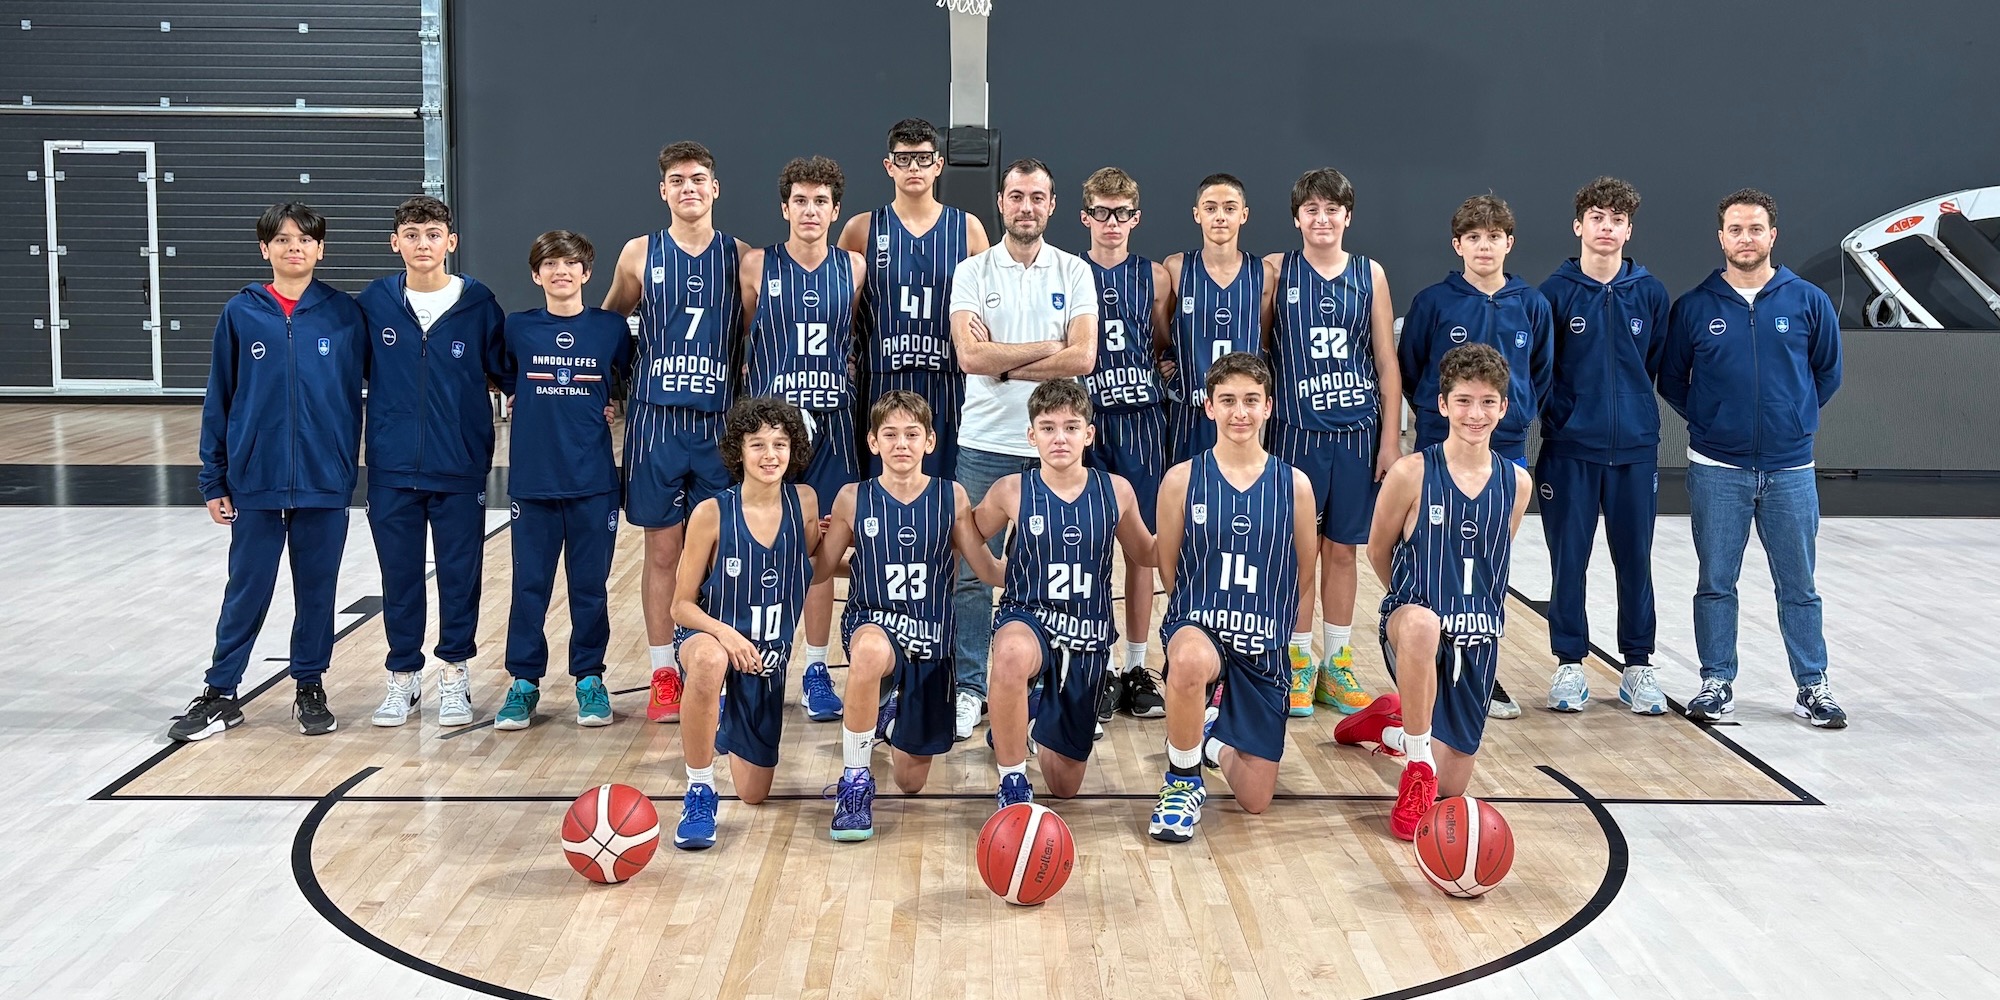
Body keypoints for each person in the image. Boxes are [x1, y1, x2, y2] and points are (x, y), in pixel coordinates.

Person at [170, 202, 367, 742]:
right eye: (281, 239)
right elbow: (219, 397)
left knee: (317, 589)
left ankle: (309, 685)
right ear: (265, 249)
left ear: (321, 248)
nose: (293, 247)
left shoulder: (345, 315)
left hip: (324, 479)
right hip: (254, 479)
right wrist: (214, 478)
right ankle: (221, 691)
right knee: (247, 587)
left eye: (304, 239)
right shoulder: (241, 312)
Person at [1659, 189, 1846, 729]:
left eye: (1756, 228)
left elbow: (1827, 373)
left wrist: (1794, 418)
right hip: (1718, 468)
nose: (1746, 238)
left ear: (1772, 236)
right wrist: (1713, 421)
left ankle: (1813, 685)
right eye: (1736, 229)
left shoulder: (1807, 300)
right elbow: (1672, 379)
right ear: (1721, 238)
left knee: (1799, 586)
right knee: (1716, 581)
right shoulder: (1694, 307)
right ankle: (1716, 683)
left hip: (1790, 469)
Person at [1334, 344, 1532, 840]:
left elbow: (1493, 559)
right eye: (1463, 401)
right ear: (1443, 405)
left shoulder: (1517, 484)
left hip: (1477, 638)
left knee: (1452, 786)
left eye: (1487, 402)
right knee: (1423, 622)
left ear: (1504, 408)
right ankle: (1416, 766)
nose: (1475, 414)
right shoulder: (1412, 473)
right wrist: (1408, 604)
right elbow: (1377, 549)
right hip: (1412, 626)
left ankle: (1387, 725)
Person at [946, 157, 1099, 743]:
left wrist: (1005, 362)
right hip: (985, 441)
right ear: (1001, 202)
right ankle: (970, 687)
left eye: (1037, 197)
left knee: (1058, 574)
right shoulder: (972, 271)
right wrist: (1047, 347)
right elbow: (970, 357)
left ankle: (1051, 691)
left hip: (1055, 448)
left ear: (1052, 205)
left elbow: (1084, 357)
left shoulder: (1074, 270)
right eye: (1016, 196)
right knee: (970, 572)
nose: (1026, 207)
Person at [601, 141, 750, 725]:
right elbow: (607, 325)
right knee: (663, 551)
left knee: (719, 551)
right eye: (678, 180)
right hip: (656, 423)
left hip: (718, 424)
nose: (689, 188)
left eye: (699, 179)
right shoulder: (639, 253)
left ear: (716, 188)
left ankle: (713, 662)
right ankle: (664, 671)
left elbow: (756, 330)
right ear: (663, 190)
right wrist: (604, 391)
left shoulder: (740, 257)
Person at [813, 391, 1005, 841]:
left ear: (930, 441)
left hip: (931, 641)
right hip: (873, 623)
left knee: (910, 782)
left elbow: (984, 569)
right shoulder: (851, 498)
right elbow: (821, 569)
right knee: (868, 652)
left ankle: (890, 711)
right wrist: (798, 537)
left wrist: (1029, 567)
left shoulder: (951, 496)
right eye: (890, 434)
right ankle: (855, 781)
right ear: (873, 442)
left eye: (912, 434)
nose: (901, 444)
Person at [1147, 352, 1317, 844]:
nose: (1239, 412)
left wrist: (1292, 644)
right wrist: (1194, 623)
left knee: (1255, 799)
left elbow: (1304, 574)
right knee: (1189, 658)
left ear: (1268, 406)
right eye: (1227, 400)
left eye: (1250, 400)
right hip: (1203, 626)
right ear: (1208, 407)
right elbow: (1169, 568)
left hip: (1263, 642)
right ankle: (1182, 781)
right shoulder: (1182, 479)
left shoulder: (1295, 485)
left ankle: (1211, 741)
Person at [357, 195, 512, 729]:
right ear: (394, 243)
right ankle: (403, 676)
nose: (422, 244)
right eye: (412, 234)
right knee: (399, 577)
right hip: (392, 467)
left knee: (458, 576)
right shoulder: (374, 303)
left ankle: (454, 674)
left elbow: (511, 375)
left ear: (451, 242)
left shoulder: (479, 304)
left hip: (459, 467)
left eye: (432, 234)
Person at [1397, 194, 1552, 719]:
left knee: (1487, 559)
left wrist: (1515, 414)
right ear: (1457, 244)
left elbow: (1540, 373)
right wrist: (1440, 418)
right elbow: (1413, 367)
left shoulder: (1532, 305)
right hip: (1441, 446)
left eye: (1494, 237)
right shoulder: (1433, 302)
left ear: (1509, 243)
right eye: (1473, 237)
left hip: (1503, 447)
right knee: (1431, 555)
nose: (1484, 246)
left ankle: (1483, 668)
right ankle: (1422, 658)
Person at [974, 380, 1157, 806]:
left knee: (1064, 785)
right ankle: (1012, 779)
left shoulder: (1116, 490)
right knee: (1011, 653)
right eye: (1048, 427)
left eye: (1071, 427)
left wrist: (1189, 526)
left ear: (1088, 434)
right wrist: (994, 572)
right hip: (1029, 616)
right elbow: (967, 535)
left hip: (1086, 636)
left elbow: (1146, 553)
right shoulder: (1011, 490)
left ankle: (1027, 717)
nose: (1060, 437)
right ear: (1031, 435)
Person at [1262, 168, 1403, 719]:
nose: (1322, 219)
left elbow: (1386, 364)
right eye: (1311, 209)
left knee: (1343, 551)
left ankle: (1336, 663)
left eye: (1332, 209)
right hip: (1296, 432)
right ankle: (1298, 661)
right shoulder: (1278, 270)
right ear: (1296, 217)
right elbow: (1260, 350)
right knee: (1298, 552)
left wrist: (1390, 441)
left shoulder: (1371, 274)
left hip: (1356, 434)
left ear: (1348, 215)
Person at [1536, 178, 1671, 715]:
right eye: (1597, 217)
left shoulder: (1650, 292)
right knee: (1569, 562)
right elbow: (1541, 371)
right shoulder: (1553, 293)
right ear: (1578, 225)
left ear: (1629, 229)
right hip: (1570, 449)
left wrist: (1633, 413)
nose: (1606, 228)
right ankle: (1569, 664)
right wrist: (1565, 418)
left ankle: (1637, 666)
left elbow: (1655, 363)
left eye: (1617, 220)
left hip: (1634, 450)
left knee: (1635, 561)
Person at [740, 155, 865, 726]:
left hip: (834, 431)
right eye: (800, 201)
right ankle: (751, 665)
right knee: (754, 549)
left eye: (820, 202)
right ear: (784, 207)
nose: (810, 211)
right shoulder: (755, 265)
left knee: (820, 552)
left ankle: (816, 669)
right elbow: (744, 332)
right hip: (771, 433)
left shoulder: (854, 268)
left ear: (835, 211)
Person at [494, 231, 634, 731]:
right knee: (529, 587)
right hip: (533, 482)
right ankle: (523, 683)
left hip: (593, 481)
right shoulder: (518, 328)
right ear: (536, 275)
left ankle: (589, 679)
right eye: (550, 264)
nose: (561, 272)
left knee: (589, 589)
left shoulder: (610, 328)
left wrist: (610, 402)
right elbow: (503, 375)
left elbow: (626, 378)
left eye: (571, 263)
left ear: (586, 272)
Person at [670, 397, 821, 850]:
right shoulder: (711, 513)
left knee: (754, 793)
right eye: (758, 444)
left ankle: (725, 722)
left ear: (794, 449)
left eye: (780, 443)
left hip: (764, 660)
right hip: (709, 635)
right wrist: (725, 634)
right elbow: (680, 606)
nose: (770, 455)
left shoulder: (805, 502)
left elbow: (815, 563)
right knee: (710, 661)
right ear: (739, 450)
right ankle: (699, 791)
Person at [837, 117, 990, 480]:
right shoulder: (861, 228)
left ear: (939, 164)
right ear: (889, 166)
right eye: (904, 159)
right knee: (878, 490)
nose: (914, 168)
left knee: (947, 493)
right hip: (880, 379)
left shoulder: (968, 228)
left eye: (923, 158)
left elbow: (989, 308)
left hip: (947, 380)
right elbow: (838, 308)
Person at [1076, 166, 1172, 722]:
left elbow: (1160, 340)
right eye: (1101, 213)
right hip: (1085, 423)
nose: (1111, 223)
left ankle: (1136, 666)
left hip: (1140, 422)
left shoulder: (1154, 277)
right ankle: (1098, 664)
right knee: (1085, 546)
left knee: (1140, 548)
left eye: (1122, 214)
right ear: (1085, 216)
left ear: (1136, 218)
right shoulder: (1068, 270)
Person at [1162, 174, 1276, 465]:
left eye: (1229, 208)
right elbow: (1163, 334)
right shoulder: (1176, 268)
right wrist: (1164, 361)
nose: (1220, 217)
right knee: (1187, 487)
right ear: (1196, 214)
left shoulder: (1262, 273)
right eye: (1210, 208)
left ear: (1244, 215)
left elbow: (1263, 338)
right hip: (1190, 409)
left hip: (1242, 414)